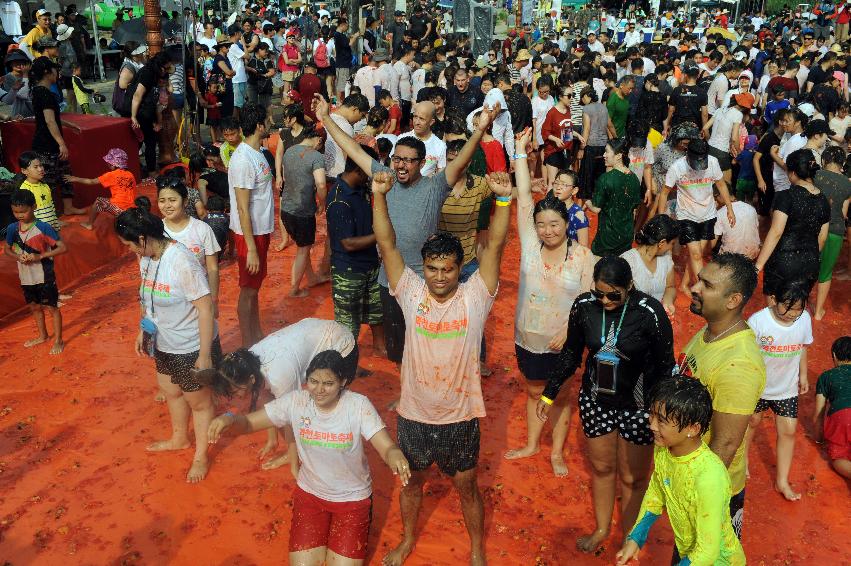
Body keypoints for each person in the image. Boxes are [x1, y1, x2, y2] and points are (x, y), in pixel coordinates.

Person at [374, 160, 512, 566]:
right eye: (432, 269)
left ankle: (476, 550)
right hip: (414, 414)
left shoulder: (475, 296)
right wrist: (378, 196)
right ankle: (407, 540)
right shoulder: (411, 291)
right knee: (411, 485)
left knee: (468, 489)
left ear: (458, 270)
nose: (438, 277)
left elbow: (498, 246)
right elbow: (387, 245)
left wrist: (503, 198)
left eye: (447, 270)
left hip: (460, 416)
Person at [316, 94, 502, 372]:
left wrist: (480, 130)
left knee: (427, 345)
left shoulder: (435, 186)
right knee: (400, 351)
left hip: (425, 286)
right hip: (388, 283)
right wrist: (326, 118)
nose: (401, 166)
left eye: (409, 161)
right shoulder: (383, 177)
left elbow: (461, 161)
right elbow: (353, 150)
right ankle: (408, 393)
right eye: (397, 159)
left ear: (422, 162)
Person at [207, 350, 410, 565]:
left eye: (328, 383)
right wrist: (229, 418)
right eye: (313, 381)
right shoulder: (297, 402)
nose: (319, 390)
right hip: (311, 497)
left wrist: (394, 454)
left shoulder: (358, 405)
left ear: (342, 382)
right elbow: (248, 424)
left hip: (352, 500)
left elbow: (385, 445)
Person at [536, 256, 675, 554]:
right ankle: (601, 529)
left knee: (633, 478)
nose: (605, 300)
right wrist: (549, 393)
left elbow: (665, 367)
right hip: (596, 401)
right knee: (601, 467)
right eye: (599, 293)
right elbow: (571, 353)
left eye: (614, 295)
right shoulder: (584, 305)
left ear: (630, 286)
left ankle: (630, 539)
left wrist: (662, 414)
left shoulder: (649, 312)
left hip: (638, 406)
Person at [504, 130, 594, 477]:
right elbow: (524, 196)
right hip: (528, 337)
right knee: (533, 391)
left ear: (565, 224)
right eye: (541, 225)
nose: (547, 230)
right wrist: (519, 151)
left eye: (554, 224)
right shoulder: (529, 248)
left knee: (561, 396)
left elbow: (587, 303)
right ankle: (531, 443)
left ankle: (556, 451)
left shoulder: (583, 257)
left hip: (563, 342)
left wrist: (567, 332)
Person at [115, 205, 220, 483]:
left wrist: (205, 355)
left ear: (142, 239)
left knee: (199, 402)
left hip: (191, 345)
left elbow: (206, 308)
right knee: (171, 391)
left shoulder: (181, 260)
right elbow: (145, 297)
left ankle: (201, 455)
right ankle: (179, 438)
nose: (129, 250)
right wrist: (143, 330)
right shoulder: (147, 258)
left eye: (129, 245)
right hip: (163, 341)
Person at [679, 253, 766, 539]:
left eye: (707, 285)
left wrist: (697, 497)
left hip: (711, 495)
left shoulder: (738, 363)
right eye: (699, 279)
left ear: (733, 300)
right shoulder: (710, 333)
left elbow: (726, 443)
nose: (695, 287)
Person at [615, 377, 746, 566]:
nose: (652, 425)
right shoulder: (664, 448)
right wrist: (635, 538)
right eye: (652, 415)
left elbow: (708, 551)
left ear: (693, 428)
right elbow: (656, 493)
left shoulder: (709, 477)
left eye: (662, 421)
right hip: (689, 555)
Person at [199, 318, 356, 471]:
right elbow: (269, 404)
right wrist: (272, 440)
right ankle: (297, 452)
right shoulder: (247, 362)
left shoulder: (278, 376)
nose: (237, 397)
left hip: (340, 345)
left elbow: (292, 417)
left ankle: (327, 456)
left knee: (321, 410)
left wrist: (294, 465)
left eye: (236, 391)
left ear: (251, 379)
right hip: (315, 333)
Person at [745, 280, 812, 501]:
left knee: (789, 431)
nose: (793, 314)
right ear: (774, 300)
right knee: (751, 423)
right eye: (788, 308)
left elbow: (802, 346)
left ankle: (782, 481)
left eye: (798, 309)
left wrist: (803, 375)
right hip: (759, 387)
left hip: (787, 388)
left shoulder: (804, 319)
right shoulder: (758, 321)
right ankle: (742, 460)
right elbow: (747, 355)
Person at [325, 146, 386, 356]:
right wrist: (382, 235)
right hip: (348, 272)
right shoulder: (338, 200)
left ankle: (380, 347)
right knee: (347, 323)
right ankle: (346, 360)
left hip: (370, 265)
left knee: (378, 312)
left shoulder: (362, 189)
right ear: (359, 170)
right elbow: (348, 243)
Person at [657, 138, 735, 294]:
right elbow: (664, 193)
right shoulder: (677, 168)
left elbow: (720, 184)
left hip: (708, 213)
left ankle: (685, 284)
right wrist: (661, 218)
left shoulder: (713, 162)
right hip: (686, 215)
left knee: (698, 253)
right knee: (696, 254)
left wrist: (729, 208)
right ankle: (702, 291)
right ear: (688, 154)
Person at [228, 104, 276, 347]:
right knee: (247, 290)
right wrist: (251, 248)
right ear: (259, 126)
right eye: (267, 119)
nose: (270, 122)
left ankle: (256, 334)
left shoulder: (258, 153)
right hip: (250, 235)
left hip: (260, 231)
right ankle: (247, 343)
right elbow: (242, 208)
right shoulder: (243, 160)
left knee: (254, 288)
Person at [755, 148, 831, 296]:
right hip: (810, 263)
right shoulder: (824, 201)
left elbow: (776, 232)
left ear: (793, 173)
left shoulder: (785, 196)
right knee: (795, 310)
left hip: (782, 262)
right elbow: (821, 239)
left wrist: (758, 265)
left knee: (775, 312)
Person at [4, 189, 67, 354]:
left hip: (44, 275)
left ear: (34, 207)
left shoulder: (43, 227)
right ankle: (43, 335)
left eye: (23, 211)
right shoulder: (12, 229)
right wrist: (18, 257)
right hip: (26, 278)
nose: (19, 215)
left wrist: (40, 256)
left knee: (52, 307)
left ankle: (59, 340)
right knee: (35, 307)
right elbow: (7, 250)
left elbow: (62, 247)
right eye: (15, 211)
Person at [155, 176, 221, 318]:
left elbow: (212, 268)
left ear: (185, 202)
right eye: (162, 201)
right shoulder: (156, 232)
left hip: (199, 303)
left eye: (173, 200)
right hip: (168, 304)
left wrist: (214, 301)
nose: (167, 205)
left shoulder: (202, 229)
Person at [29, 57, 84, 216]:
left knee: (65, 175)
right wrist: (61, 143)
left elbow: (51, 117)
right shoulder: (44, 93)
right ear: (47, 72)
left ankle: (68, 207)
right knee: (49, 180)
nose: (57, 73)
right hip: (46, 145)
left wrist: (69, 125)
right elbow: (49, 120)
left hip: (47, 142)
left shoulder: (39, 91)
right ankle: (49, 214)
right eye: (55, 70)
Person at [280, 124, 328, 297]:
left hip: (286, 209)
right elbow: (321, 184)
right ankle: (294, 289)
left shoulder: (289, 150)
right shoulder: (315, 156)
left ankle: (312, 278)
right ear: (319, 140)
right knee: (303, 249)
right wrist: (321, 201)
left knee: (303, 246)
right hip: (303, 211)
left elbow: (286, 177)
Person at [814, 146, 851, 320]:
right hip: (835, 230)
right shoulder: (847, 184)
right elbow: (843, 213)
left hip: (812, 227)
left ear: (825, 160)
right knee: (826, 272)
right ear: (842, 163)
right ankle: (818, 312)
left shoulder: (815, 175)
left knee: (806, 266)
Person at [588, 139, 642, 257]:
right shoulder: (635, 179)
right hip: (626, 237)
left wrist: (586, 201)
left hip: (607, 239)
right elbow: (634, 210)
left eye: (607, 152)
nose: (604, 155)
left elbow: (596, 209)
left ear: (618, 156)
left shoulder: (605, 179)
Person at [63, 149, 136, 231]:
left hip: (119, 209)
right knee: (111, 201)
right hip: (131, 209)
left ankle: (89, 224)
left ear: (113, 164)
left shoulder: (111, 175)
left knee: (98, 201)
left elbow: (91, 181)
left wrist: (75, 178)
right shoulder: (130, 175)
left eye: (109, 162)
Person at [621, 215, 679, 315]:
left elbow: (670, 287)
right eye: (672, 243)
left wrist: (668, 302)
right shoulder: (628, 261)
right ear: (662, 243)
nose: (672, 248)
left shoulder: (666, 260)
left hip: (654, 319)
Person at [131, 52, 175, 178]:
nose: (166, 71)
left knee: (143, 142)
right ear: (159, 66)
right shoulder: (148, 73)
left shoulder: (155, 71)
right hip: (141, 112)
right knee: (147, 141)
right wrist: (133, 116)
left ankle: (141, 168)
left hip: (146, 111)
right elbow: (137, 95)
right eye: (165, 68)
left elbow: (171, 70)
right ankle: (149, 170)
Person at [814, 336, 851, 479]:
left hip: (843, 416)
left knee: (839, 458)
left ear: (834, 356)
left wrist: (818, 438)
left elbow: (818, 412)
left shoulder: (826, 376)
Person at [578, 85, 613, 202]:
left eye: (582, 98)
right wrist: (615, 139)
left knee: (587, 178)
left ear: (587, 96)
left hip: (591, 146)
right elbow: (610, 125)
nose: (582, 101)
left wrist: (582, 148)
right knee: (600, 175)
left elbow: (587, 129)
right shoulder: (604, 107)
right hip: (603, 146)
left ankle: (585, 203)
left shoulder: (586, 109)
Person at [712, 188, 761, 260]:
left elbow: (711, 244)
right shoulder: (751, 208)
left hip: (731, 258)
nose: (715, 201)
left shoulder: (720, 213)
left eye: (715, 198)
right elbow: (756, 234)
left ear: (720, 195)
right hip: (753, 255)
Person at [18, 151, 59, 232]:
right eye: (36, 167)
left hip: (51, 229)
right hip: (37, 232)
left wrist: (56, 225)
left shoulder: (45, 186)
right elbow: (24, 215)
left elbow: (51, 208)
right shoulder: (24, 190)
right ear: (24, 171)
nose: (40, 169)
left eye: (41, 165)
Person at [549, 170, 590, 247]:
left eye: (564, 184)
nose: (558, 187)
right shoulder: (550, 209)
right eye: (556, 183)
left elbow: (583, 248)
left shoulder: (578, 215)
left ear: (574, 191)